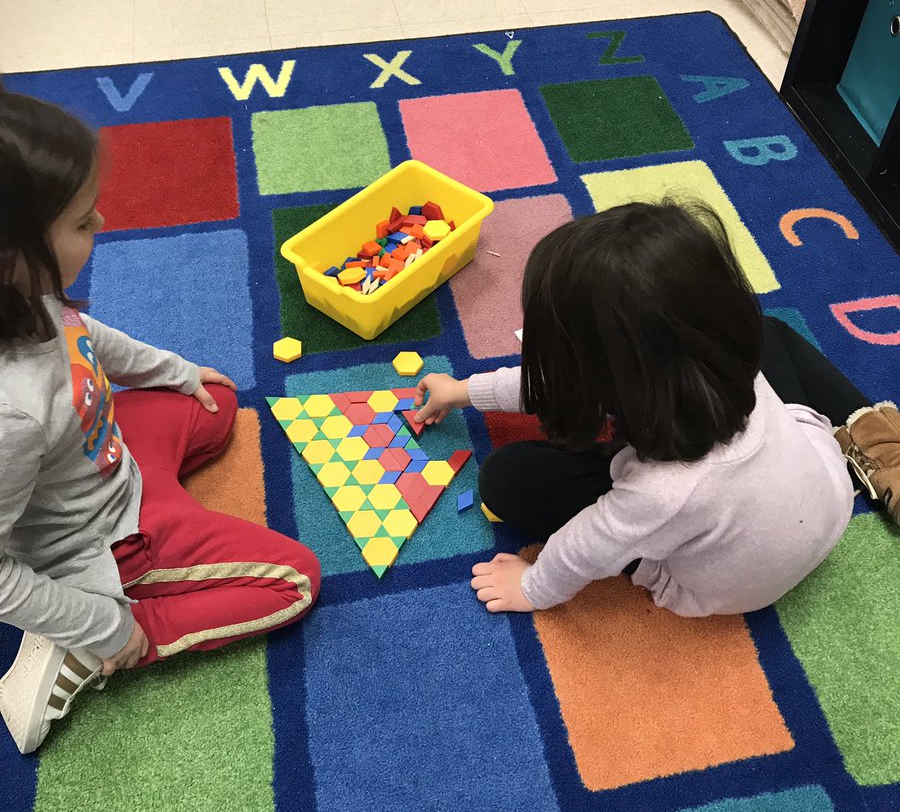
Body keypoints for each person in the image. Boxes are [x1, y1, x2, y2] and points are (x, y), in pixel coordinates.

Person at [0, 88, 320, 754]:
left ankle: (98, 604)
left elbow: (85, 338)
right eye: (84, 222)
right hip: (104, 540)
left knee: (212, 400)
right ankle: (100, 638)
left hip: (103, 459)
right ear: (11, 256)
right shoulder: (12, 415)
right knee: (294, 581)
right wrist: (99, 626)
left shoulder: (26, 296)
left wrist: (173, 370)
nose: (103, 221)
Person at [414, 201, 899, 616]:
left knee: (507, 477)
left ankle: (878, 447)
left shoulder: (661, 492)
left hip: (721, 579)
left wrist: (532, 587)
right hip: (823, 489)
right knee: (770, 333)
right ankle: (878, 439)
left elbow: (587, 547)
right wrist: (462, 390)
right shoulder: (721, 355)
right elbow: (563, 384)